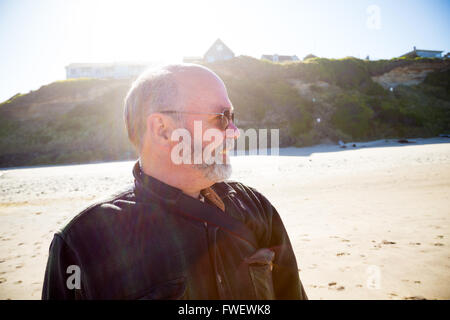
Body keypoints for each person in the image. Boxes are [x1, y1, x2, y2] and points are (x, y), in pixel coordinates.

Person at [42, 64, 308, 300]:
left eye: (233, 118)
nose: (235, 132)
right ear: (163, 129)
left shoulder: (256, 208)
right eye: (222, 118)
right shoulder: (83, 243)